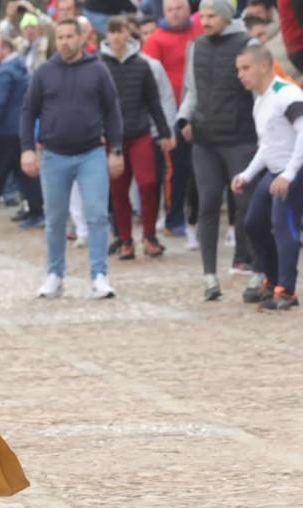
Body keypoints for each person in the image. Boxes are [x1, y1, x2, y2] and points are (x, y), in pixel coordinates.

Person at [21, 17, 123, 300]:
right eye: (61, 36)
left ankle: (99, 275)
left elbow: (112, 110)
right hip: (53, 154)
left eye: (70, 36)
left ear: (81, 38)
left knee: (98, 215)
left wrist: (116, 149)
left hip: (91, 152)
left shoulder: (98, 69)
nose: (65, 41)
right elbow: (28, 111)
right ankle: (54, 274)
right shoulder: (44, 72)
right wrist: (27, 147)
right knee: (54, 218)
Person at [177, 0, 258, 300]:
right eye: (203, 16)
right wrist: (183, 118)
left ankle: (258, 268)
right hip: (205, 139)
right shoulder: (195, 46)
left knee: (246, 205)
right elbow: (192, 90)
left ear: (225, 15)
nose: (204, 21)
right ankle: (209, 276)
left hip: (241, 138)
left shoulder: (247, 43)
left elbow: (258, 90)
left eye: (211, 16)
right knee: (208, 204)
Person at [232, 44, 303, 310]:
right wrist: (248, 175)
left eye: (246, 68)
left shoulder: (286, 94)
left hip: (293, 171)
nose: (240, 74)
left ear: (264, 66)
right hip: (274, 171)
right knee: (254, 223)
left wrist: (290, 173)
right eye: (238, 69)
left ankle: (286, 291)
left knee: (283, 227)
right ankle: (272, 280)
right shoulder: (260, 100)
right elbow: (268, 145)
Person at [101, 15, 174, 260]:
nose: (117, 37)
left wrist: (164, 132)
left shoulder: (142, 65)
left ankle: (150, 236)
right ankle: (124, 239)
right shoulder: (99, 65)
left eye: (121, 31)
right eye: (112, 32)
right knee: (118, 189)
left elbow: (153, 101)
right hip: (112, 137)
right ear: (107, 35)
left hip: (140, 132)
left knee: (148, 183)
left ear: (128, 34)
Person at [143, 0, 203, 242]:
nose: (176, 13)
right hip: (170, 114)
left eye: (180, 7)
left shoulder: (198, 33)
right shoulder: (155, 40)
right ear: (163, 12)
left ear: (189, 9)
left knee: (197, 170)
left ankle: (194, 217)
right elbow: (149, 81)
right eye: (170, 9)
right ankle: (173, 217)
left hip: (198, 111)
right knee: (175, 170)